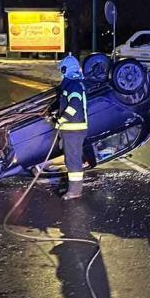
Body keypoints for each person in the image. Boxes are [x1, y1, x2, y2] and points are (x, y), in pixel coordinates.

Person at [55, 54, 88, 200]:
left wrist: (63, 119)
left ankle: (75, 191)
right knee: (72, 159)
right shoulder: (74, 82)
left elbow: (75, 103)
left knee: (73, 160)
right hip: (73, 129)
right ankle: (74, 187)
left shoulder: (72, 84)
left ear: (64, 69)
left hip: (73, 129)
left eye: (61, 70)